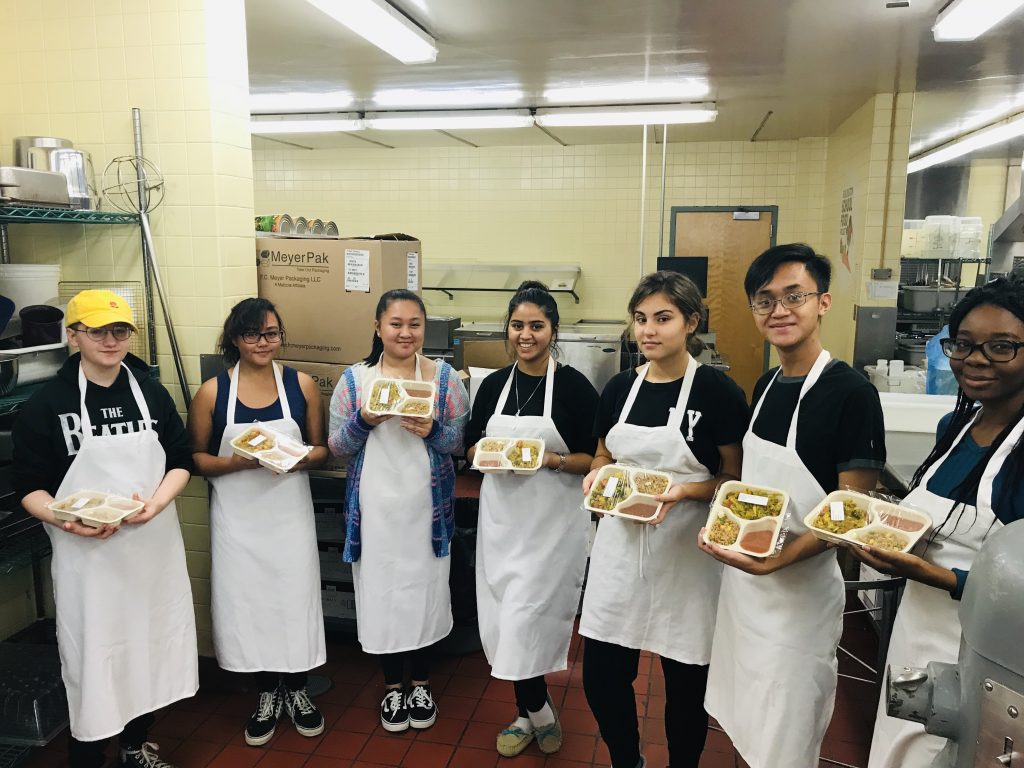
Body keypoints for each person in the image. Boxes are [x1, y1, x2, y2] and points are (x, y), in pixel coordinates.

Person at [698, 243, 886, 768]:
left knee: (787, 732)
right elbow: (750, 487)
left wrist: (779, 559)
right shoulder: (766, 384)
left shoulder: (850, 392)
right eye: (765, 300)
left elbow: (852, 510)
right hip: (744, 586)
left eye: (793, 296)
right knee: (747, 716)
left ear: (822, 302)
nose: (779, 310)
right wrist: (727, 525)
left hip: (798, 597)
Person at [12, 290, 197, 768]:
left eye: (120, 331)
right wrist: (66, 519)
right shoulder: (45, 405)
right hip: (88, 561)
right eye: (97, 331)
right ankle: (89, 758)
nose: (111, 341)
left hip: (150, 551)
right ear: (72, 335)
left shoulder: (150, 391)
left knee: (148, 652)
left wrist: (155, 504)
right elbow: (29, 488)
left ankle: (136, 746)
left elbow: (180, 461)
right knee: (94, 662)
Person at [579, 271, 749, 768]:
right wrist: (597, 479)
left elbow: (732, 479)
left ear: (691, 322)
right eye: (640, 319)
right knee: (602, 677)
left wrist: (683, 492)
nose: (648, 330)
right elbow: (600, 456)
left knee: (686, 684)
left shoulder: (717, 392)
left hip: (686, 555)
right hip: (619, 551)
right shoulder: (618, 389)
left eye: (663, 318)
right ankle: (627, 761)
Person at [859, 273, 1024, 768]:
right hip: (916, 629)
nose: (975, 360)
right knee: (898, 744)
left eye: (1001, 347)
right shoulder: (956, 424)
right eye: (964, 345)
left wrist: (936, 575)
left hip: (987, 659)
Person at [465, 281, 599, 758]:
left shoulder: (575, 388)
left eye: (536, 326)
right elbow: (470, 445)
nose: (526, 335)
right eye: (518, 325)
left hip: (552, 528)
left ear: (552, 331)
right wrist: (480, 451)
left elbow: (597, 459)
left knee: (528, 619)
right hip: (502, 525)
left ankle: (534, 710)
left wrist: (551, 461)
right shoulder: (494, 387)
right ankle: (532, 711)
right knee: (506, 620)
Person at [187, 298, 328, 746]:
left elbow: (322, 450)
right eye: (252, 334)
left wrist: (294, 458)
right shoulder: (213, 392)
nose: (263, 343)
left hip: (289, 519)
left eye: (271, 333)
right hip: (238, 523)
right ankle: (266, 694)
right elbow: (197, 460)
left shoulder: (300, 385)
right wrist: (240, 463)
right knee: (250, 605)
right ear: (234, 339)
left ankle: (300, 691)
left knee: (293, 601)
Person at [328, 289, 469, 733]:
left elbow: (460, 445)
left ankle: (422, 683)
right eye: (395, 324)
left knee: (425, 595)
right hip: (374, 514)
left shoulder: (444, 379)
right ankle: (392, 688)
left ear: (424, 329)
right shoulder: (355, 381)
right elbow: (337, 449)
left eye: (414, 324)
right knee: (383, 597)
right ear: (378, 328)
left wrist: (433, 430)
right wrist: (364, 420)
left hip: (428, 512)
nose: (405, 332)